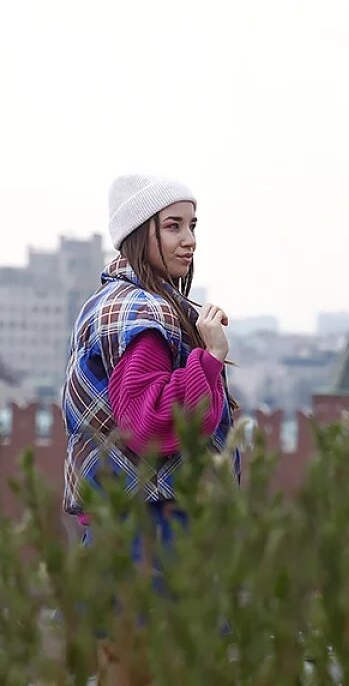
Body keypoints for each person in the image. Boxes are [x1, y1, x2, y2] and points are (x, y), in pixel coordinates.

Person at [62, 173, 239, 544]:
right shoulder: (141, 313)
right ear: (140, 234)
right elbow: (151, 423)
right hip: (152, 528)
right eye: (173, 227)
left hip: (130, 519)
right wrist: (211, 357)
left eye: (192, 225)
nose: (189, 240)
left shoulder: (114, 302)